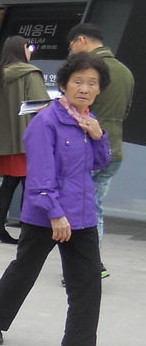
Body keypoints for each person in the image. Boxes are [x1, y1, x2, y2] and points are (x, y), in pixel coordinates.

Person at [0, 52, 113, 346]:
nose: (85, 88)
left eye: (92, 83)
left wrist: (98, 136)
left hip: (81, 215)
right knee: (25, 270)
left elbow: (99, 163)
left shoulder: (88, 121)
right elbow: (40, 175)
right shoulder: (46, 121)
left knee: (88, 280)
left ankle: (78, 343)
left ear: (99, 89)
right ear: (64, 85)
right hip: (46, 214)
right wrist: (55, 213)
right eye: (78, 81)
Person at [67, 23, 134, 275]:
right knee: (94, 206)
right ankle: (90, 264)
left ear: (81, 40)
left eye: (72, 45)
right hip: (114, 148)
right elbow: (125, 111)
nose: (72, 52)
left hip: (89, 150)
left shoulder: (91, 70)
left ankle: (88, 266)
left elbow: (77, 110)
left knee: (84, 210)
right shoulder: (126, 72)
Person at [0, 35, 48, 245]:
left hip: (6, 141)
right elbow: (42, 106)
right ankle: (27, 231)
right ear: (21, 49)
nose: (31, 51)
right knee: (30, 185)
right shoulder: (31, 74)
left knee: (9, 184)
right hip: (29, 139)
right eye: (28, 47)